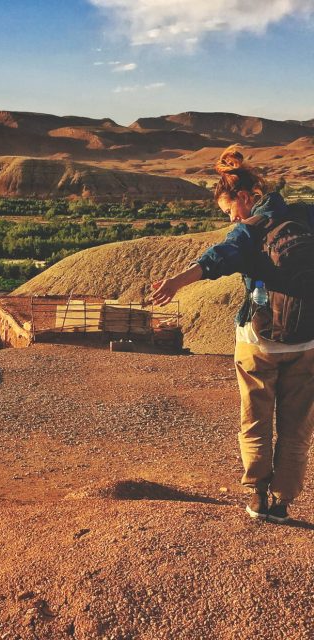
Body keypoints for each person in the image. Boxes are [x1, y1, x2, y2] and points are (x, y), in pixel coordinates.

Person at [149, 145, 314, 524]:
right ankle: (283, 502)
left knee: (255, 418)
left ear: (243, 196)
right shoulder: (306, 214)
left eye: (229, 210)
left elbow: (216, 258)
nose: (231, 217)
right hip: (308, 341)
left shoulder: (249, 230)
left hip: (260, 341)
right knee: (297, 426)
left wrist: (176, 281)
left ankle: (257, 498)